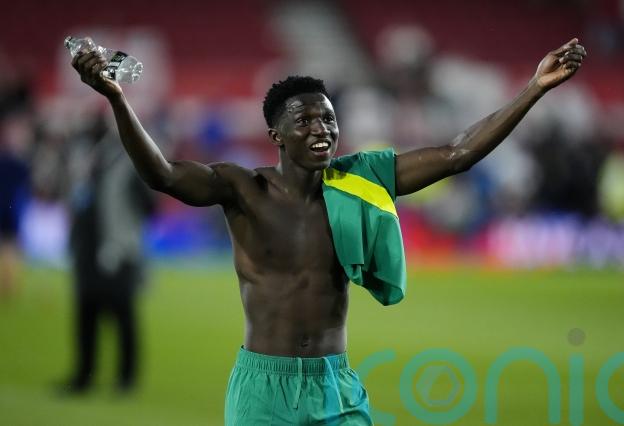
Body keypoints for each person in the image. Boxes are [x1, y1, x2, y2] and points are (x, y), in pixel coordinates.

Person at [71, 38, 586, 424]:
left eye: (329, 119)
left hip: (334, 386)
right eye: (305, 121)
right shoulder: (242, 188)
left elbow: (458, 154)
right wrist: (117, 99)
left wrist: (534, 89)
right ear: (276, 134)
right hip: (262, 390)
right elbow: (162, 174)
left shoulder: (361, 179)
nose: (322, 130)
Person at [60, 113, 155, 394]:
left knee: (122, 315)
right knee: (86, 313)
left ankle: (125, 378)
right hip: (87, 248)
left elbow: (150, 205)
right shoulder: (81, 163)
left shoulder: (127, 164)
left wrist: (128, 231)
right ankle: (84, 375)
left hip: (117, 248)